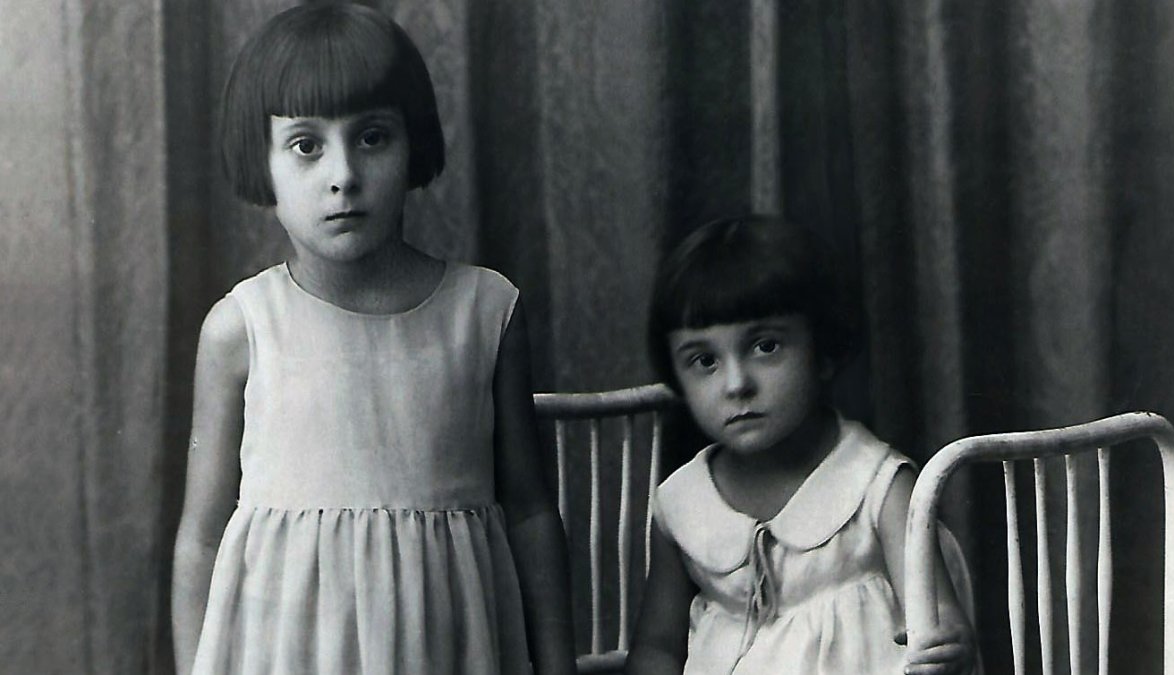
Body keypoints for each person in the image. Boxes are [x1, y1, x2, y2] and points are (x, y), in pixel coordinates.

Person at [171, 4, 575, 673]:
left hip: (446, 648)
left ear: (413, 145)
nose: (343, 175)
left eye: (372, 137)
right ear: (261, 163)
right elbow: (201, 538)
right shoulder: (241, 329)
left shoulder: (485, 311)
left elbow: (531, 514)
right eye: (306, 145)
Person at [627, 215, 976, 674]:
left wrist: (946, 640)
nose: (736, 384)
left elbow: (935, 617)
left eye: (765, 347)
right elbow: (657, 646)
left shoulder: (876, 483)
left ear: (823, 352)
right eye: (705, 360)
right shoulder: (682, 502)